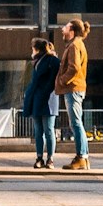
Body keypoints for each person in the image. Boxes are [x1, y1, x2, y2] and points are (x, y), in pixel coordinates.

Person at [55, 18, 92, 170]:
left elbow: (74, 68)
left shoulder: (74, 46)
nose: (62, 30)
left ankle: (81, 157)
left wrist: (62, 81)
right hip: (76, 88)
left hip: (73, 88)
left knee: (76, 123)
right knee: (76, 123)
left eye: (65, 27)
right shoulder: (76, 44)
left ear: (72, 31)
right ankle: (83, 157)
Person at [22, 37, 60, 168]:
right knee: (40, 130)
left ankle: (49, 158)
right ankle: (40, 157)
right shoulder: (36, 62)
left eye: (33, 48)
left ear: (37, 49)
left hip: (48, 98)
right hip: (38, 98)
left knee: (47, 130)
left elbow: (51, 81)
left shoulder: (52, 61)